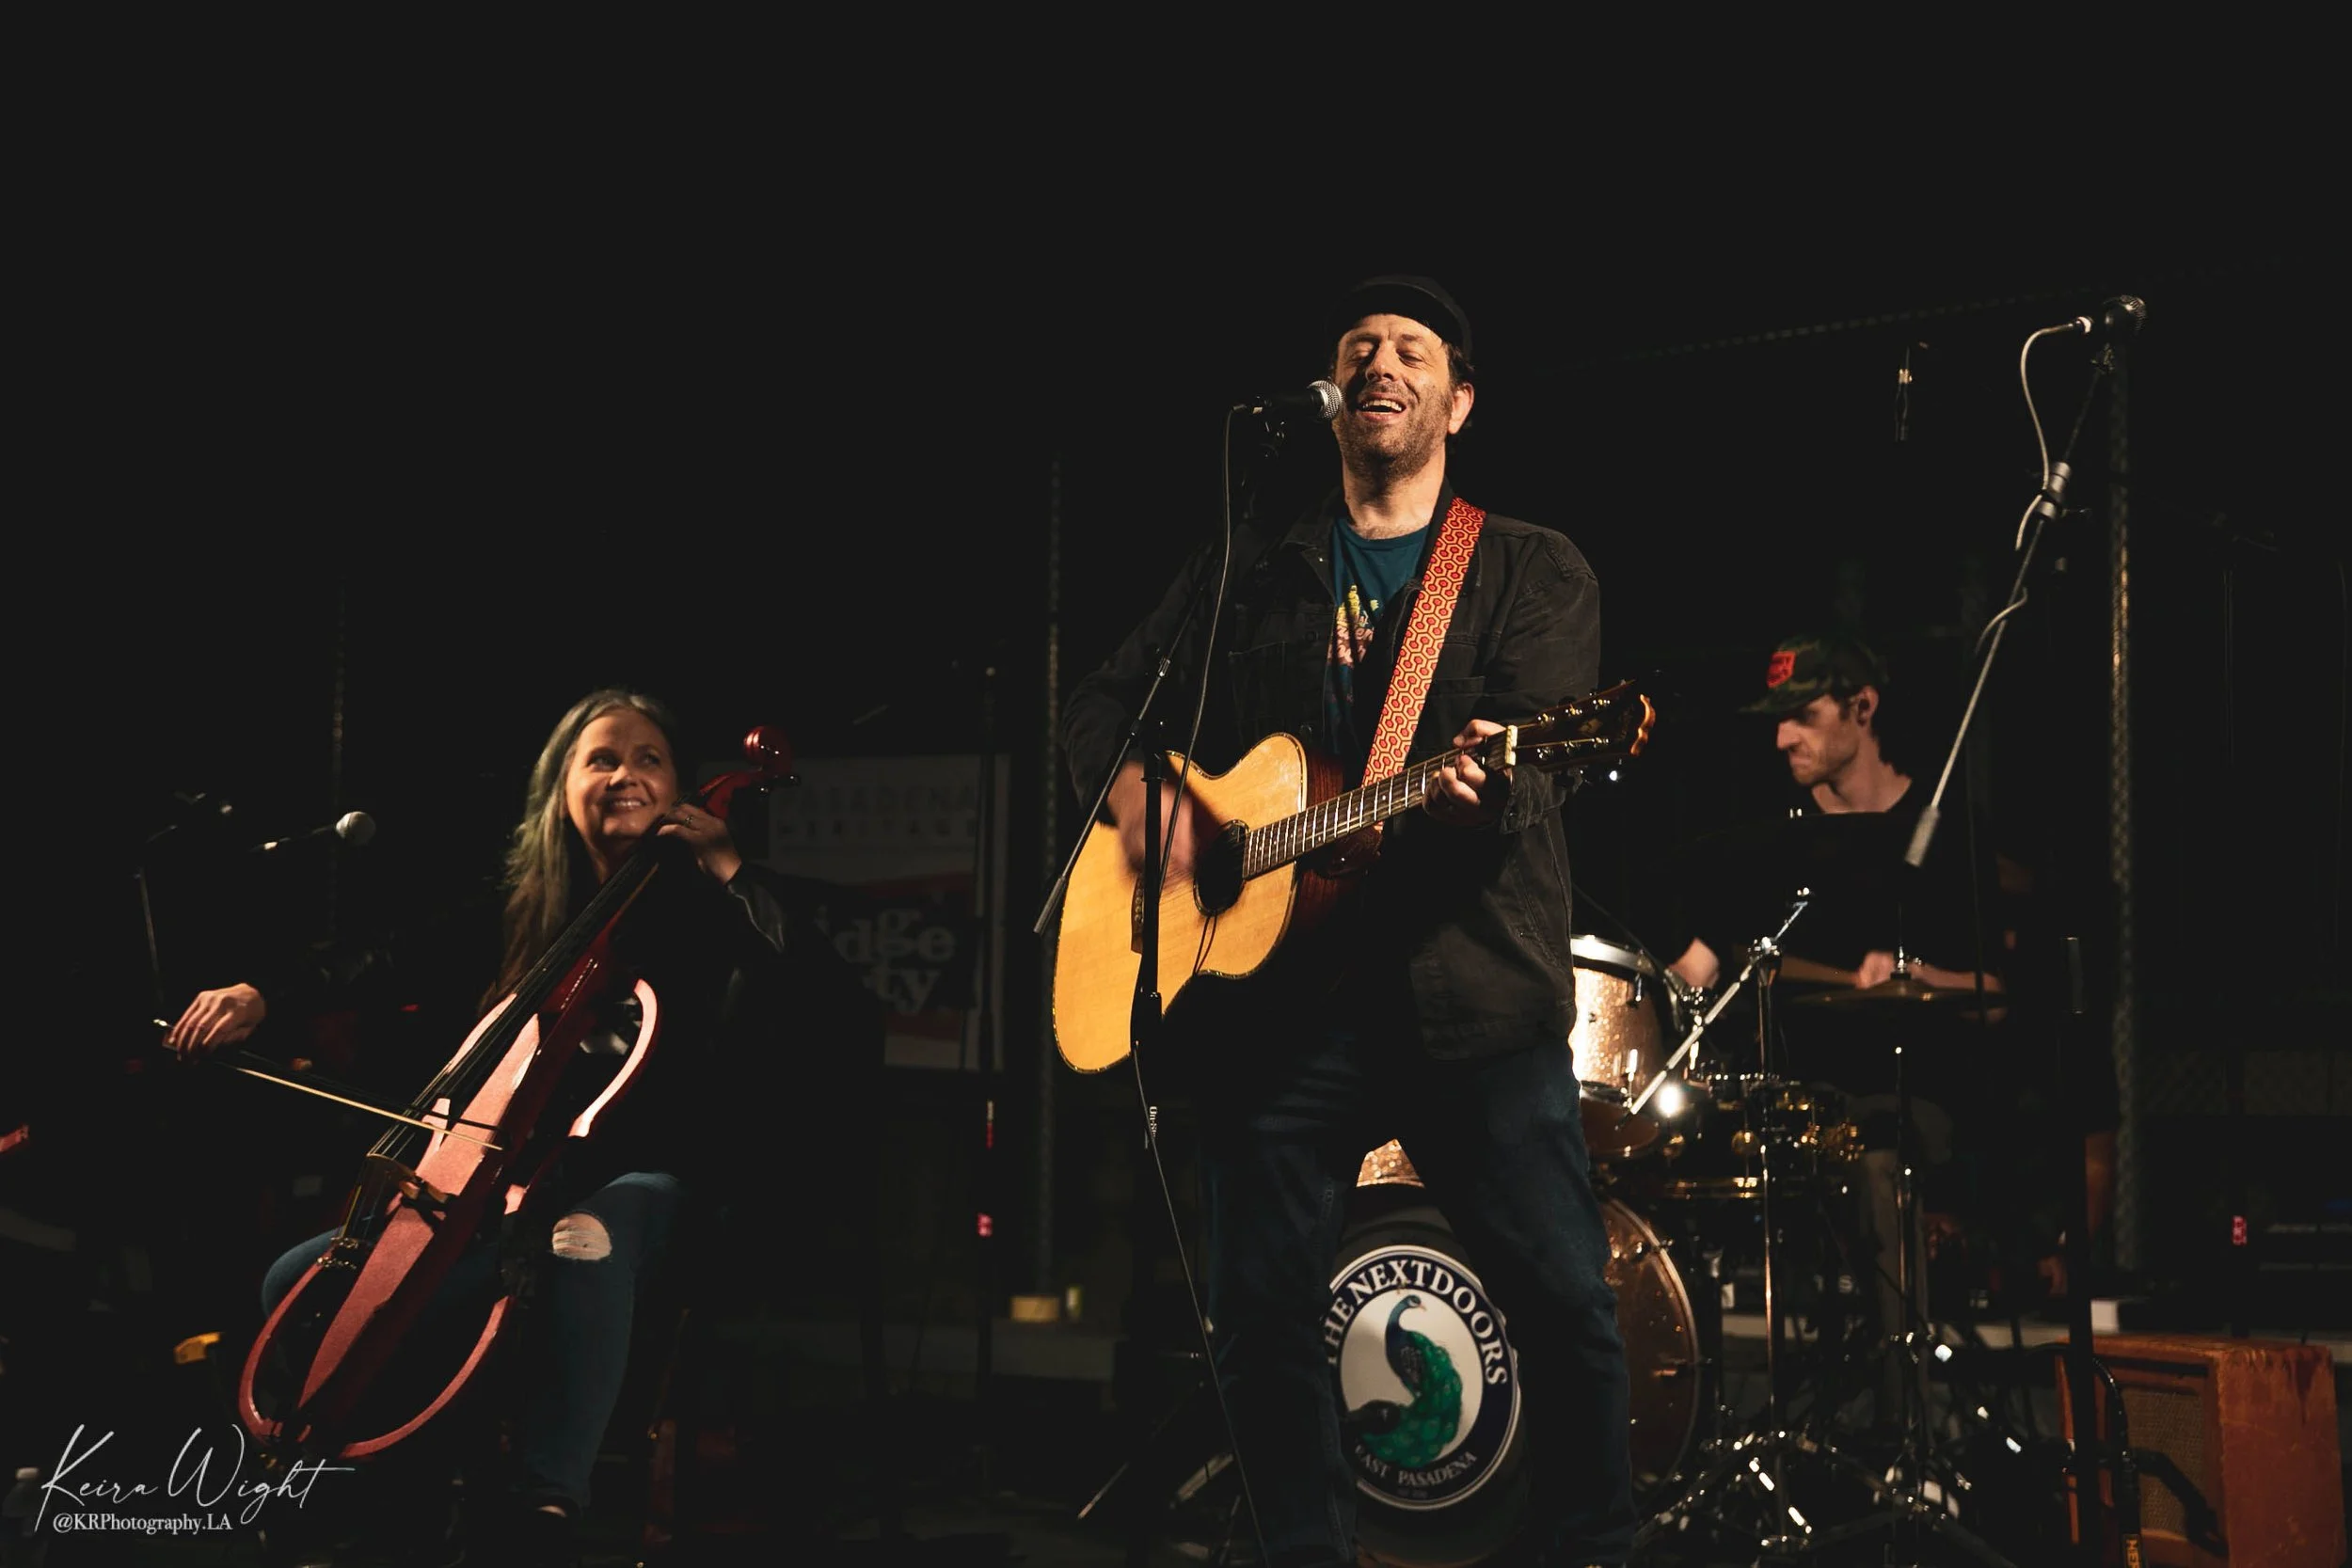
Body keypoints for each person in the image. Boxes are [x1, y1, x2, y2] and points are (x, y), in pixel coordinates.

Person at [1062, 276, 1632, 1568]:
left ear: (1459, 400)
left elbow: (1538, 764)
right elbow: (1098, 704)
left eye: (1413, 350)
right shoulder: (1251, 567)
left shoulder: (1530, 566)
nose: (1381, 362)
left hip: (1465, 993)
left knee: (1563, 1300)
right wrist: (1152, 804)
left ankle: (1590, 1546)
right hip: (1274, 1006)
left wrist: (1492, 785)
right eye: (1359, 346)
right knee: (1260, 1320)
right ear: (1330, 398)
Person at [168, 688, 866, 1566]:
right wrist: (264, 994)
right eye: (601, 758)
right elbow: (387, 954)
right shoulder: (530, 909)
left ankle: (544, 1512)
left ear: (680, 787)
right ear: (562, 788)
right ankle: (392, 1489)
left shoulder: (714, 908)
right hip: (513, 1190)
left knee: (587, 1238)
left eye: (648, 758)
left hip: (659, 1182)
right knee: (302, 1281)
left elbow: (833, 1005)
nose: (625, 774)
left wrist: (731, 871)